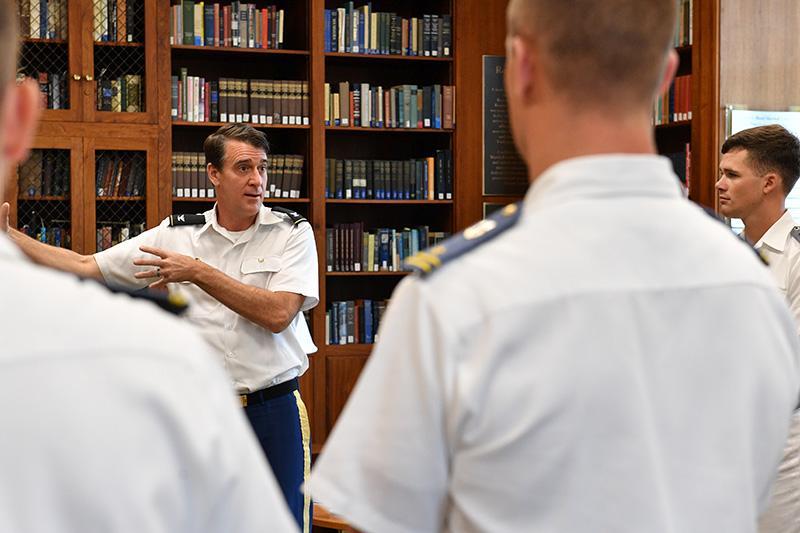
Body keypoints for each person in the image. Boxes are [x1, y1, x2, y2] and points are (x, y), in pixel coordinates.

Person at [307, 1, 800, 532]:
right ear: (664, 76)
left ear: (519, 67)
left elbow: (385, 519)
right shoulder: (748, 281)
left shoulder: (459, 293)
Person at [0, 2, 298, 531]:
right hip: (202, 406)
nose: (257, 180)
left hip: (272, 409)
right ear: (213, 175)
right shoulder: (176, 232)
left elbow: (277, 314)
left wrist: (198, 272)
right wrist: (11, 237)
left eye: (262, 169)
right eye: (243, 168)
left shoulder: (291, 233)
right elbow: (87, 265)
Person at [717, 124, 800, 532]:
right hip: (722, 435)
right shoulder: (722, 252)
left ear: (770, 183)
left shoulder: (796, 257)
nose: (719, 184)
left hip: (783, 444)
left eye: (732, 175)